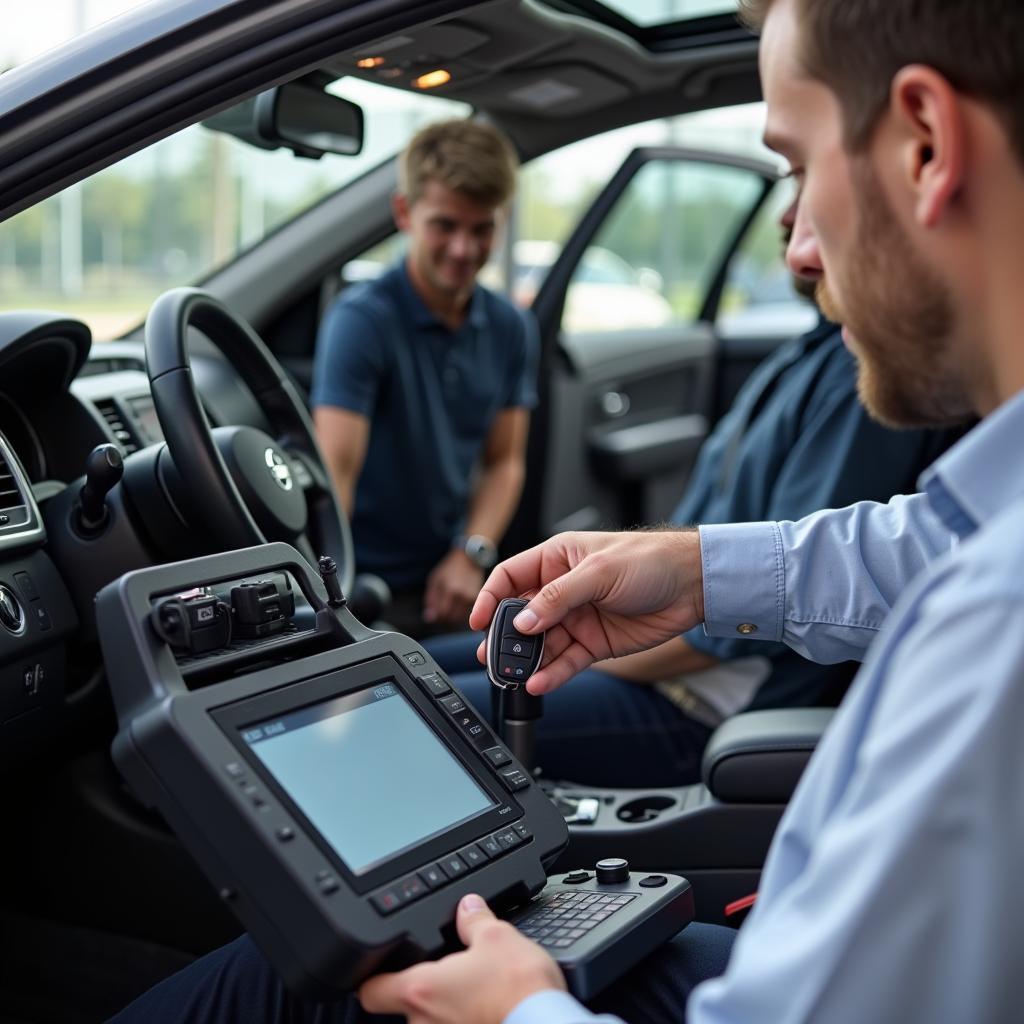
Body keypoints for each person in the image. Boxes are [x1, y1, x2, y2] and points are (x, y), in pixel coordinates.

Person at [111, 0, 1024, 1020]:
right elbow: (923, 538)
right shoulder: (991, 536)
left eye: (800, 164)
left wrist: (518, 1009)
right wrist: (694, 571)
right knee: (425, 674)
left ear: (925, 144)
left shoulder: (993, 624)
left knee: (304, 979)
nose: (799, 248)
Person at [426, 233, 957, 789]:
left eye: (807, 179)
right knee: (419, 667)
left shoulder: (858, 381)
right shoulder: (811, 351)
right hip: (665, 659)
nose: (794, 236)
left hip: (697, 701)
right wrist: (684, 574)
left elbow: (733, 639)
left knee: (427, 713)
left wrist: (599, 647)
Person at [311, 120, 538, 637]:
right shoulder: (362, 321)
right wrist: (334, 600)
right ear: (404, 214)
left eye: (481, 229)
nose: (463, 249)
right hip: (365, 586)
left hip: (452, 582)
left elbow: (505, 461)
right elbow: (335, 477)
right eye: (445, 226)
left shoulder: (511, 327)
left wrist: (471, 552)